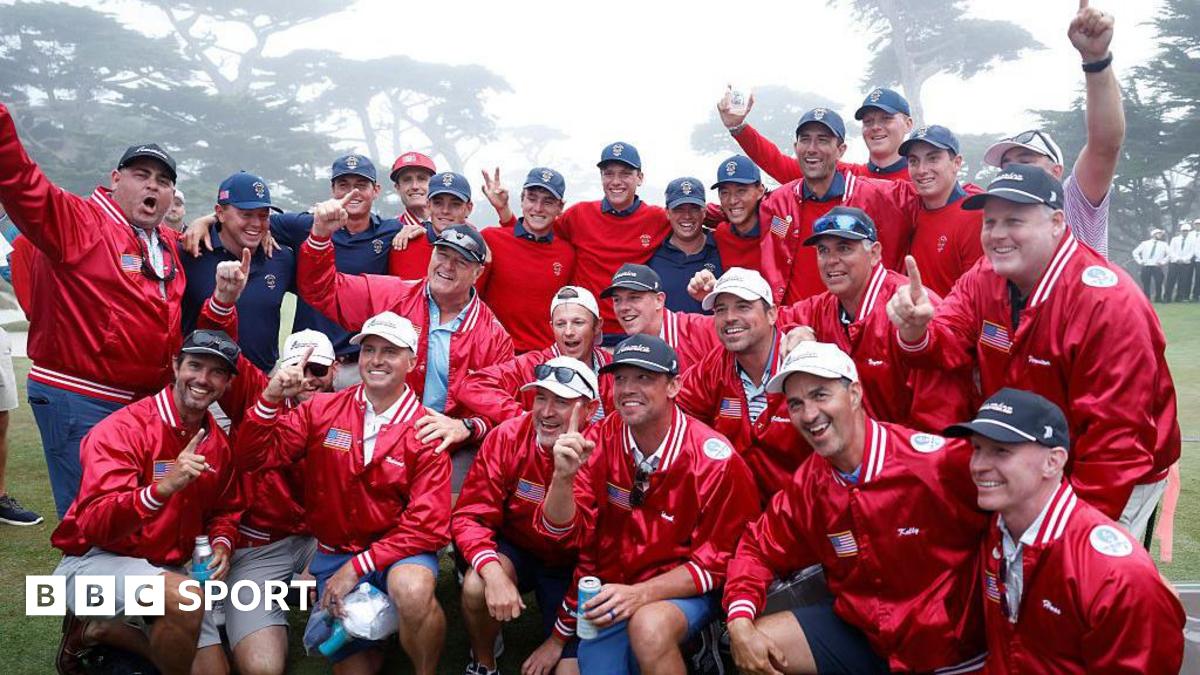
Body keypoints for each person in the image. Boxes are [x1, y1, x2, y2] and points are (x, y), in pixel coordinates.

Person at [886, 165, 1180, 540]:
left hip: (1115, 472)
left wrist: (1065, 535)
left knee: (1082, 564)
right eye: (990, 222)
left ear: (1056, 223)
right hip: (1033, 455)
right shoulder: (985, 275)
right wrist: (916, 332)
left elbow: (1116, 447)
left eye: (1014, 220)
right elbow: (947, 338)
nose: (997, 234)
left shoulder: (1108, 304)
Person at [723, 341, 987, 674]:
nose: (809, 414)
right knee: (757, 644)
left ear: (855, 394)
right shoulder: (810, 482)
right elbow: (757, 547)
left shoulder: (933, 464)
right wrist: (739, 620)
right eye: (796, 404)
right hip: (867, 637)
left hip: (950, 652)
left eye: (820, 395)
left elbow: (1021, 505)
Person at [0, 101, 190, 517]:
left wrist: (213, 224)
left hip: (143, 402)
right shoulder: (78, 221)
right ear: (115, 179)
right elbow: (21, 181)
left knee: (134, 515)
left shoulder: (166, 243)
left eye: (163, 181)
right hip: (80, 397)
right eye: (141, 175)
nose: (152, 186)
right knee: (91, 519)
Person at [236, 312, 451, 675]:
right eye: (369, 350)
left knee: (411, 589)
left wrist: (358, 567)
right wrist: (270, 398)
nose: (377, 360)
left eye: (390, 351)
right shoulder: (321, 410)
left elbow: (428, 526)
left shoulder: (426, 428)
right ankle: (380, 628)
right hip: (336, 553)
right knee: (357, 667)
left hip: (398, 556)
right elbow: (252, 458)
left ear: (412, 361)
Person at [538, 335, 760, 675]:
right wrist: (562, 478)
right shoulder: (599, 439)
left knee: (650, 628)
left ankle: (699, 637)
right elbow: (560, 533)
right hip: (617, 587)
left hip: (687, 589)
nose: (628, 389)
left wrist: (641, 594)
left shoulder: (715, 460)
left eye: (644, 377)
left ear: (674, 386)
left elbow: (720, 562)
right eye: (621, 378)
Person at [945, 387, 1184, 673]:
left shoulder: (1116, 575)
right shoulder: (996, 531)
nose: (978, 466)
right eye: (977, 448)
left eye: (1001, 451)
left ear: (1053, 461)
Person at [51, 329, 245, 675]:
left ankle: (98, 630)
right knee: (184, 599)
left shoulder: (218, 443)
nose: (203, 379)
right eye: (195, 365)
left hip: (167, 569)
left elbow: (226, 510)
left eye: (217, 372)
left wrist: (222, 543)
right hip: (94, 560)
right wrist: (160, 490)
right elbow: (95, 524)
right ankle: (96, 620)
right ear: (176, 365)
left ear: (227, 383)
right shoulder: (121, 429)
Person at [297, 200, 514, 495]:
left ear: (477, 273)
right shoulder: (391, 295)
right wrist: (321, 237)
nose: (447, 266)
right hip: (380, 430)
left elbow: (500, 413)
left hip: (448, 445)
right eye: (442, 253)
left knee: (451, 509)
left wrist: (466, 428)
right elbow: (321, 290)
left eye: (461, 261)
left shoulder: (495, 337)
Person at [191, 265, 333, 675]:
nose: (308, 379)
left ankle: (311, 591)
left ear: (334, 371)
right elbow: (217, 347)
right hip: (260, 545)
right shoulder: (259, 391)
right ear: (281, 367)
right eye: (299, 368)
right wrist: (223, 301)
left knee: (366, 622)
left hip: (321, 541)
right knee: (263, 668)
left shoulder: (347, 410)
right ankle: (245, 601)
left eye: (318, 369)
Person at [184, 154, 404, 389]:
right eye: (344, 185)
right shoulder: (306, 225)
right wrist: (204, 221)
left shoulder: (391, 231)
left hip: (357, 363)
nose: (352, 192)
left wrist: (411, 230)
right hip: (307, 365)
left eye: (361, 185)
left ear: (376, 190)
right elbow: (244, 219)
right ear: (332, 189)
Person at [452, 356, 601, 675]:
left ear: (589, 410)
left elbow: (597, 557)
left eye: (561, 402)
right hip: (517, 549)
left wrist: (557, 640)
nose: (546, 411)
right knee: (477, 584)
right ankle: (483, 663)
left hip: (573, 566)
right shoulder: (507, 436)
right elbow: (469, 516)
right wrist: (493, 572)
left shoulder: (604, 452)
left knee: (571, 671)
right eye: (541, 398)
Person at [980, 3, 1124, 258]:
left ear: (1056, 172)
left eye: (1026, 161)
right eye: (1007, 165)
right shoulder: (997, 223)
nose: (1015, 171)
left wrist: (1096, 61)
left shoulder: (1072, 202)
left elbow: (1105, 146)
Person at [756, 107, 919, 304]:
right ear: (796, 146)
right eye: (805, 139)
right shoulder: (777, 203)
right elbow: (768, 238)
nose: (812, 148)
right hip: (791, 320)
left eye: (823, 140)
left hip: (856, 319)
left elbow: (937, 195)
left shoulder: (877, 196)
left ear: (840, 150)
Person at [675, 268, 809, 500]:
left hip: (801, 509)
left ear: (772, 314)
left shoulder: (805, 365)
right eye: (720, 309)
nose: (729, 317)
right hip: (734, 507)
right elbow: (673, 412)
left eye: (743, 306)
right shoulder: (714, 366)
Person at [555, 142, 671, 341]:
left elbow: (694, 216)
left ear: (640, 177)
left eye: (625, 174)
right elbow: (535, 236)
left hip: (638, 332)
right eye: (609, 174)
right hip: (589, 334)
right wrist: (506, 217)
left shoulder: (658, 218)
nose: (616, 181)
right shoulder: (578, 215)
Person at [181, 171, 295, 372]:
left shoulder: (280, 257)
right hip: (202, 380)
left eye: (263, 215)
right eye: (246, 214)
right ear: (220, 213)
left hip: (263, 380)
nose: (256, 224)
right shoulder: (190, 253)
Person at [456, 286, 614, 430]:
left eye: (578, 322)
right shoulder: (534, 364)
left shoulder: (612, 366)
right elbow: (473, 385)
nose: (568, 332)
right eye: (560, 324)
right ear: (551, 327)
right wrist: (525, 418)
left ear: (597, 325)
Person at [718, 87, 915, 185]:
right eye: (868, 121)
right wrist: (738, 127)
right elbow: (776, 162)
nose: (876, 127)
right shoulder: (845, 177)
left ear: (908, 124)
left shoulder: (924, 179)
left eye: (886, 119)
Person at [476, 167, 578, 353]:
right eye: (532, 199)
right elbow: (470, 298)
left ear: (560, 208)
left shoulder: (567, 253)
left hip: (546, 358)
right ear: (522, 200)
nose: (538, 208)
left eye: (548, 202)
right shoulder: (490, 239)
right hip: (495, 354)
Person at [899, 125, 984, 297]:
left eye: (933, 159)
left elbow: (979, 295)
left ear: (956, 163)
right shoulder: (910, 211)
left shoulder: (974, 217)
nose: (922, 170)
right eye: (914, 161)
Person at [600, 263, 720, 375]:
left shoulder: (700, 329)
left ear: (659, 300)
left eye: (634, 297)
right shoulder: (624, 351)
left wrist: (718, 299)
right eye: (617, 300)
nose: (623, 307)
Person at [648, 177, 722, 314]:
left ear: (704, 212)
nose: (687, 216)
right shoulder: (651, 253)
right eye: (679, 209)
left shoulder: (722, 248)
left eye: (694, 209)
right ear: (667, 213)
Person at [389, 171, 475, 280]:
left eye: (455, 204)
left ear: (468, 208)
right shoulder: (402, 247)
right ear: (428, 205)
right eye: (438, 203)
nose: (445, 210)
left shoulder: (478, 253)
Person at [710, 155, 767, 271]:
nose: (732, 201)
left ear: (760, 191)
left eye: (741, 191)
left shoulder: (777, 230)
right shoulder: (721, 234)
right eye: (725, 193)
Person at [389, 151, 437, 227]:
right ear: (397, 187)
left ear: (434, 184)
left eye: (421, 179)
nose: (415, 186)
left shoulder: (453, 226)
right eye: (407, 180)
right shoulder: (389, 231)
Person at [1131, 228, 1169, 302]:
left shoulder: (1164, 244)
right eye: (1158, 233)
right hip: (1146, 265)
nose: (1160, 235)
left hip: (1157, 266)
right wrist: (1140, 261)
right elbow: (1135, 252)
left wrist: (1163, 262)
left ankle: (1158, 298)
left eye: (1160, 234)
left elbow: (1169, 254)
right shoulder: (1145, 243)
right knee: (1146, 283)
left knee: (1158, 282)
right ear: (1153, 235)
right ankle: (1146, 298)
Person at [1165, 222, 1194, 303]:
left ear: (1189, 231)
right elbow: (1171, 251)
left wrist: (1183, 259)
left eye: (1187, 231)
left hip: (1185, 263)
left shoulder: (1192, 241)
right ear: (1181, 231)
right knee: (1171, 280)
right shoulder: (1175, 239)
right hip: (1174, 262)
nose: (1185, 232)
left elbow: (1192, 252)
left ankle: (1179, 297)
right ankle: (1167, 297)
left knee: (1183, 281)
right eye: (1184, 231)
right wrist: (1177, 259)